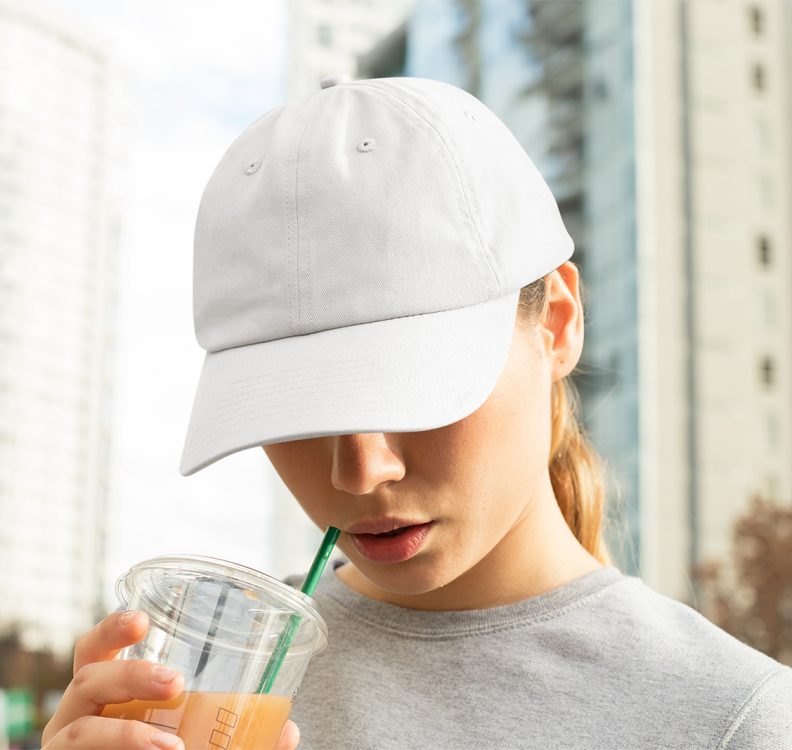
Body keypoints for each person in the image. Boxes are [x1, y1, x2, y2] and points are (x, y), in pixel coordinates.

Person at [41, 77, 792, 749]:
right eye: (297, 408)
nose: (362, 470)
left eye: (414, 390)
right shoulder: (207, 699)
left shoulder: (730, 721)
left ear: (557, 324)